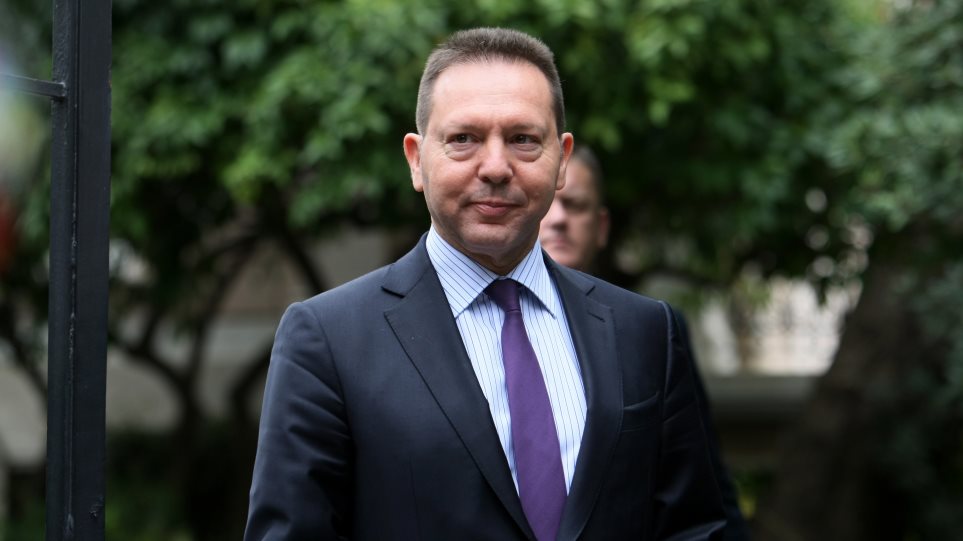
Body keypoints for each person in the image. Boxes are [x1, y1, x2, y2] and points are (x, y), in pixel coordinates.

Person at [245, 27, 726, 540]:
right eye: (464, 139)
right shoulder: (328, 340)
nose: (496, 167)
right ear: (416, 160)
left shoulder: (643, 331)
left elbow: (693, 529)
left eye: (523, 139)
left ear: (562, 160)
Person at [540, 145, 751, 540]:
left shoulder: (652, 329)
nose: (558, 220)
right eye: (547, 204)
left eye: (576, 205)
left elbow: (702, 488)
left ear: (601, 227)